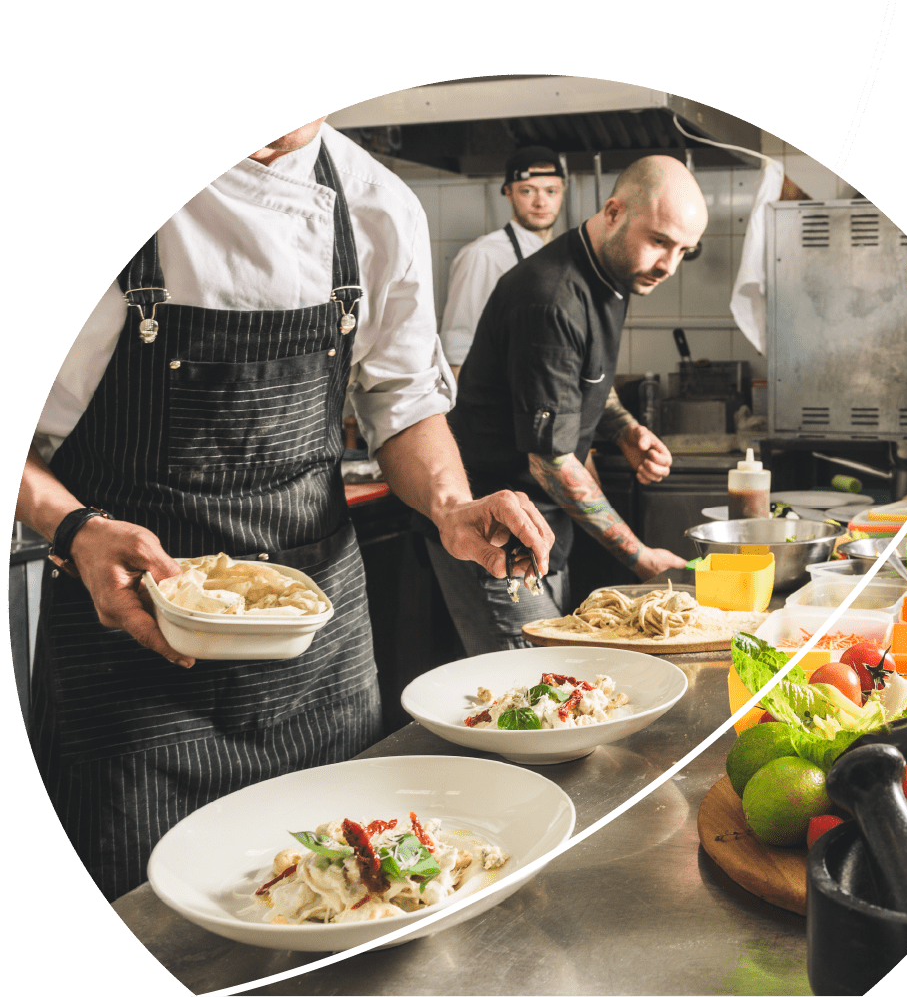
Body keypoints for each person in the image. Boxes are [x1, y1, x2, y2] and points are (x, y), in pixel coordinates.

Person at [15, 117, 552, 902]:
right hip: (130, 657)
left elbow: (401, 402)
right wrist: (71, 526)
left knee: (342, 915)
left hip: (318, 670)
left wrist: (452, 503)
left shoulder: (376, 205)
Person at [430, 154, 708, 656]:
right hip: (498, 537)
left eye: (684, 250)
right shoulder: (551, 298)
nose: (668, 266)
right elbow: (550, 460)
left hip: (547, 530)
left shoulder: (616, 275)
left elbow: (588, 378)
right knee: (532, 693)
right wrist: (640, 557)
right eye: (660, 241)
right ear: (614, 211)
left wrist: (624, 430)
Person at [439, 146, 566, 375]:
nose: (541, 202)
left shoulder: (565, 255)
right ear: (508, 193)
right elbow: (457, 348)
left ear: (562, 192)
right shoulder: (482, 254)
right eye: (528, 191)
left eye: (550, 191)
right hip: (500, 400)